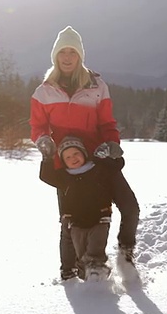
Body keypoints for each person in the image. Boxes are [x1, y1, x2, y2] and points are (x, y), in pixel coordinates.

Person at [29, 25, 140, 280]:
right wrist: (43, 140)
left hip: (99, 161)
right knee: (69, 221)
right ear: (55, 56)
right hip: (68, 165)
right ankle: (70, 271)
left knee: (130, 207)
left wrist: (112, 144)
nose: (67, 57)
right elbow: (37, 127)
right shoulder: (43, 91)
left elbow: (107, 124)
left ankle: (126, 254)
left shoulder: (97, 85)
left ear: (80, 56)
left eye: (73, 52)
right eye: (62, 52)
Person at [39, 136, 123, 281]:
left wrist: (111, 152)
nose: (73, 158)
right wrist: (48, 157)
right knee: (81, 251)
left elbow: (117, 165)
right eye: (68, 157)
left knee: (96, 247)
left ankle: (97, 269)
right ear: (64, 161)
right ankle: (85, 273)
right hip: (77, 222)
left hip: (100, 218)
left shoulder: (97, 169)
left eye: (76, 153)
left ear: (84, 153)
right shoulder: (64, 177)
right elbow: (45, 176)